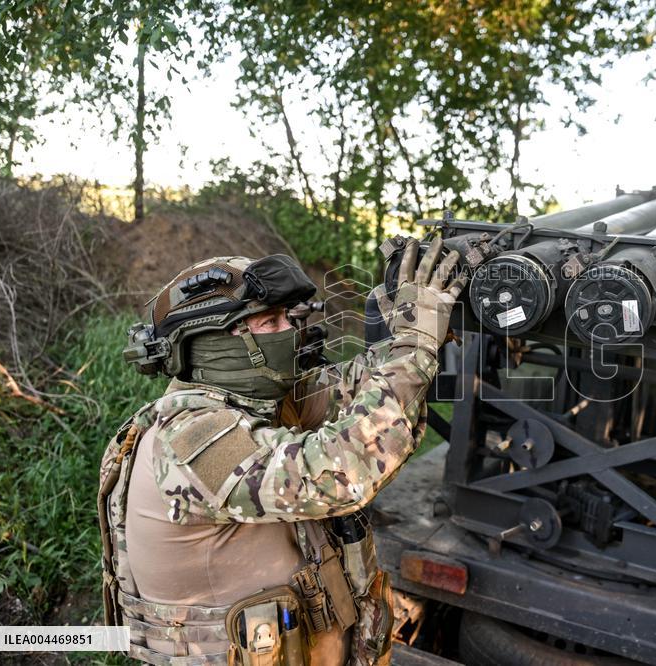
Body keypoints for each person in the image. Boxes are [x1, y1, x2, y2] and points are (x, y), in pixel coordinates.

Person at [98, 239, 463, 665]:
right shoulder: (189, 439)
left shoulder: (266, 404)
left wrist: (419, 324)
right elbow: (337, 473)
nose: (290, 331)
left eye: (287, 317)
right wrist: (416, 346)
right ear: (207, 341)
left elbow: (365, 385)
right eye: (268, 322)